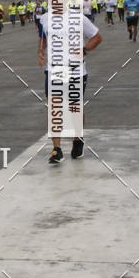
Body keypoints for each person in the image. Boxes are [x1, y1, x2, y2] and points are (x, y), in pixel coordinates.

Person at [38, 10, 102, 164]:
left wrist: (84, 50)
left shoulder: (79, 18)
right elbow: (43, 37)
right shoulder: (45, 18)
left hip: (76, 70)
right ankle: (57, 150)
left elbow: (97, 37)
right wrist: (40, 50)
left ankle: (78, 139)